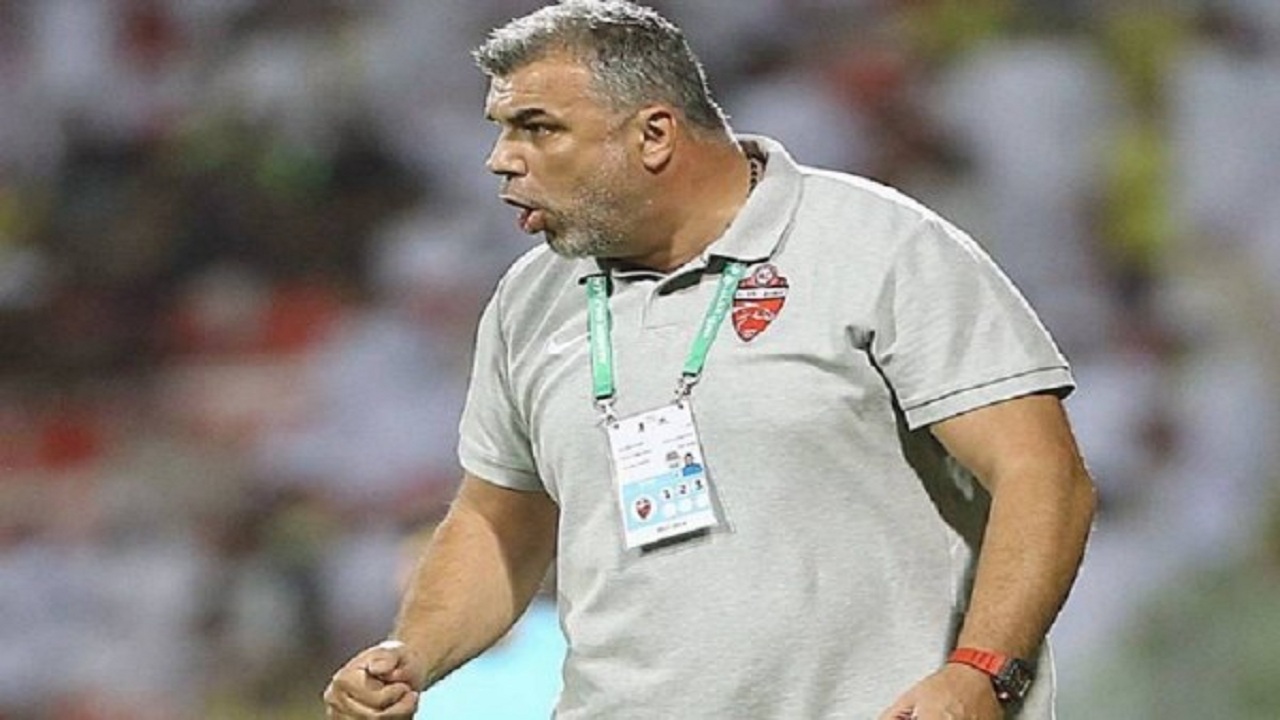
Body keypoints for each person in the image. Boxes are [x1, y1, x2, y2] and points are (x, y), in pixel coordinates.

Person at [322, 2, 1096, 718]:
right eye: (500, 129)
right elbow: (499, 523)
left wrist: (982, 670)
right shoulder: (531, 298)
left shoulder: (878, 246)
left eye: (536, 128)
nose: (500, 159)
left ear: (654, 135)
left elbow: (1042, 474)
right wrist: (410, 655)